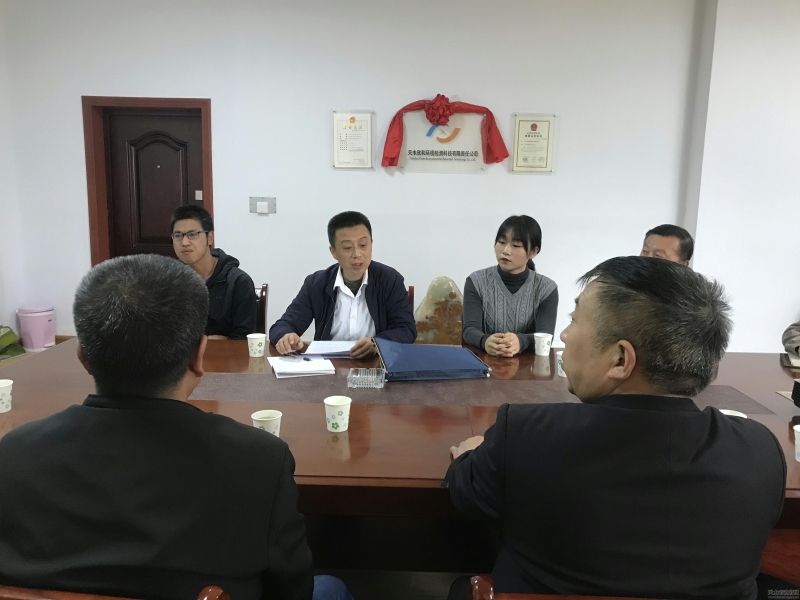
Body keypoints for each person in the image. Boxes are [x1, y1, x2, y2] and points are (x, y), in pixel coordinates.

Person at [0, 254, 352, 600]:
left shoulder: (13, 453)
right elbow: (293, 589)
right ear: (199, 356)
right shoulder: (260, 461)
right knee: (330, 588)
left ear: (84, 358)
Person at [445, 256, 786, 599]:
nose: (564, 334)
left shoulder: (526, 433)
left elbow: (467, 495)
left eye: (574, 320)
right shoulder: (759, 451)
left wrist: (470, 456)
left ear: (620, 359)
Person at [269, 211, 416, 358]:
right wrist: (285, 336)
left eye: (363, 245)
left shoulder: (390, 280)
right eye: (347, 247)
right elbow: (283, 326)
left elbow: (406, 329)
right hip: (328, 363)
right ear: (333, 251)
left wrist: (377, 343)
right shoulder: (316, 284)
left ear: (371, 244)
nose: (357, 254)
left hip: (375, 363)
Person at [462, 215, 558, 357]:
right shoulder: (476, 281)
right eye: (501, 242)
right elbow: (469, 330)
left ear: (533, 252)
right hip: (484, 362)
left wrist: (521, 341)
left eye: (516, 245)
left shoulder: (546, 289)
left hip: (528, 366)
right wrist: (485, 341)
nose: (506, 250)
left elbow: (546, 335)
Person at [171, 205, 257, 339]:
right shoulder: (168, 281)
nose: (184, 242)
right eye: (178, 236)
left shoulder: (238, 282)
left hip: (226, 353)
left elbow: (243, 340)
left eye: (192, 234)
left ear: (210, 237)